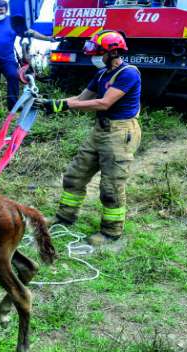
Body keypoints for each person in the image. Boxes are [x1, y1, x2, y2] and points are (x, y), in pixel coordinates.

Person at [34, 30, 142, 246]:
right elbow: (82, 98)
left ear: (113, 52)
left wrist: (64, 105)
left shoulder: (128, 73)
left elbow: (104, 103)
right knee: (75, 175)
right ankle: (65, 216)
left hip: (120, 133)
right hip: (100, 131)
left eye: (99, 52)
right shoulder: (101, 74)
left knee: (111, 186)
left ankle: (111, 233)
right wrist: (53, 103)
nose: (95, 57)